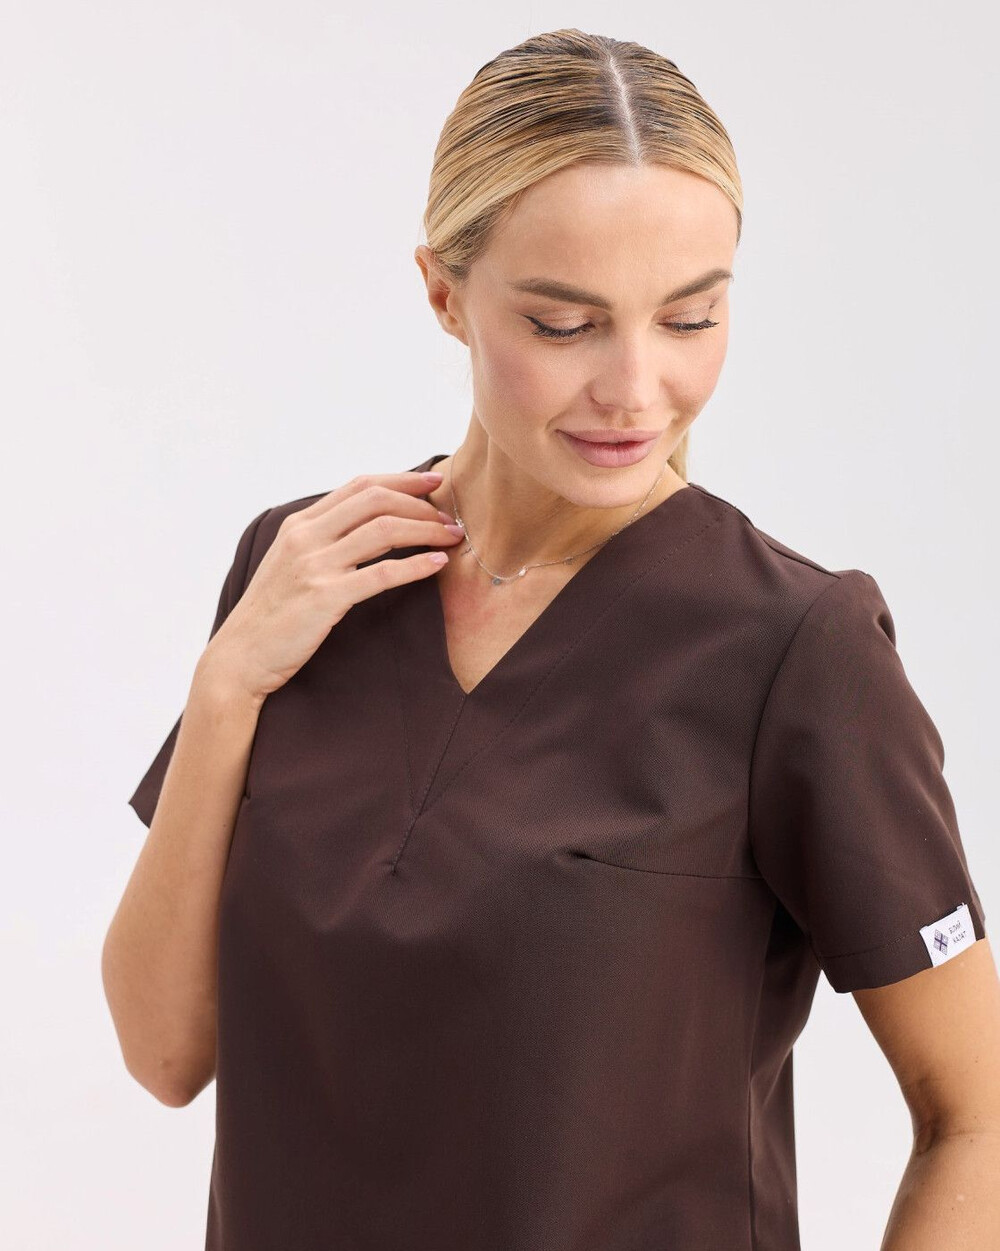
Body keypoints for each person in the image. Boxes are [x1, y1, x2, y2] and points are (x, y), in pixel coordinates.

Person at [102, 27, 1000, 1251]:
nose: (634, 389)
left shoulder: (797, 646)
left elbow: (974, 1115)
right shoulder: (301, 575)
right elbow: (163, 1053)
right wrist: (226, 690)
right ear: (443, 294)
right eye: (565, 325)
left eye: (689, 318)